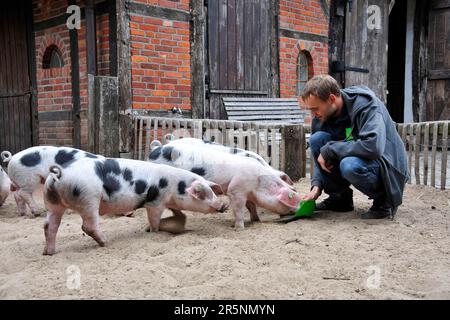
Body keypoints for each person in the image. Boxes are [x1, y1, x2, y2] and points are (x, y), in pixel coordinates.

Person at [301, 75, 409, 219]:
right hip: (360, 157)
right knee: (317, 139)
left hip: (388, 165)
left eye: (315, 109)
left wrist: (330, 149)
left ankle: (384, 202)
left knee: (349, 165)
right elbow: (321, 157)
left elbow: (373, 147)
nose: (313, 114)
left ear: (332, 99)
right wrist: (316, 186)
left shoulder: (366, 105)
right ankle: (340, 199)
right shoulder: (321, 117)